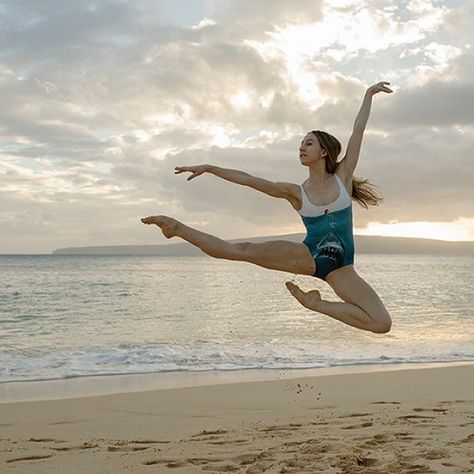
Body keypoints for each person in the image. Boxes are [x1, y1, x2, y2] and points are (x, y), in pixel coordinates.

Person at [141, 81, 393, 333]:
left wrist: (368, 94)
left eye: (308, 143)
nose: (302, 148)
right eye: (301, 144)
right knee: (240, 250)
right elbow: (250, 180)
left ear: (324, 151)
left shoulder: (343, 177)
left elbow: (358, 131)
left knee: (381, 323)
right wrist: (210, 168)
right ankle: (176, 228)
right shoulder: (297, 192)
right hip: (308, 256)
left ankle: (315, 304)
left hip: (341, 268)